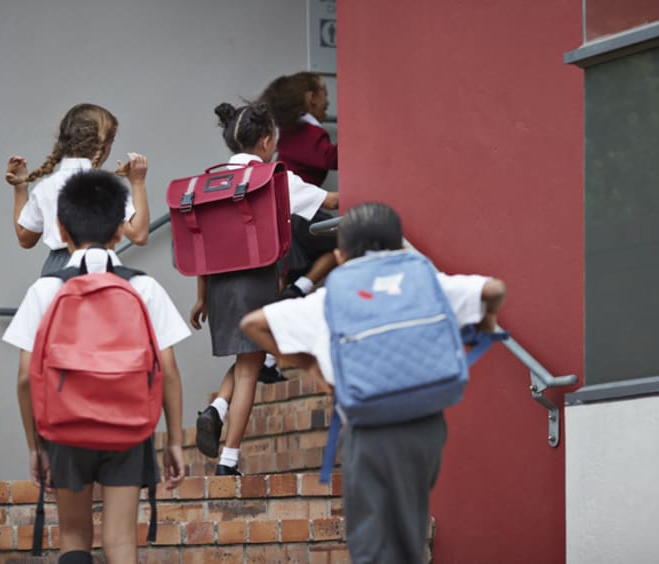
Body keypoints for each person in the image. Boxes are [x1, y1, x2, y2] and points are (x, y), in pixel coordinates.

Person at [240, 202, 507, 564]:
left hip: (369, 428)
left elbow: (253, 324)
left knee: (370, 539)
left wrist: (310, 366)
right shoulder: (427, 281)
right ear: (399, 247)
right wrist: (485, 326)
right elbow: (493, 289)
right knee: (407, 531)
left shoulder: (331, 297)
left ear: (339, 254)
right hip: (427, 425)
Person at [2, 170, 189, 564]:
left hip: (67, 429)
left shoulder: (46, 290)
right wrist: (173, 440)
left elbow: (24, 378)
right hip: (129, 428)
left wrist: (36, 446)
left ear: (60, 228)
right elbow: (167, 371)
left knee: (73, 534)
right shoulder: (144, 287)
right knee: (120, 541)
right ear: (121, 229)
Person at [189, 101, 334, 472]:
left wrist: (201, 297)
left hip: (218, 285)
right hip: (256, 280)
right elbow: (330, 201)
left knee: (245, 359)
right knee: (250, 368)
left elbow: (203, 244)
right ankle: (229, 460)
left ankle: (217, 408)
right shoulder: (274, 178)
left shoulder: (210, 183)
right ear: (267, 140)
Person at [4, 103, 151, 275]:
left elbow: (25, 239)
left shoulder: (46, 186)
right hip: (96, 268)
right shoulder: (104, 186)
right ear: (104, 145)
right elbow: (139, 235)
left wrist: (20, 188)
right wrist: (138, 182)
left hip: (55, 271)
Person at [260, 72, 339, 301]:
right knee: (347, 239)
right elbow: (330, 158)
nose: (329, 102)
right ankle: (298, 290)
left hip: (291, 211)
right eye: (324, 93)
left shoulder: (291, 132)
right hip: (298, 210)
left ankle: (293, 290)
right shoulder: (304, 132)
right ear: (311, 98)